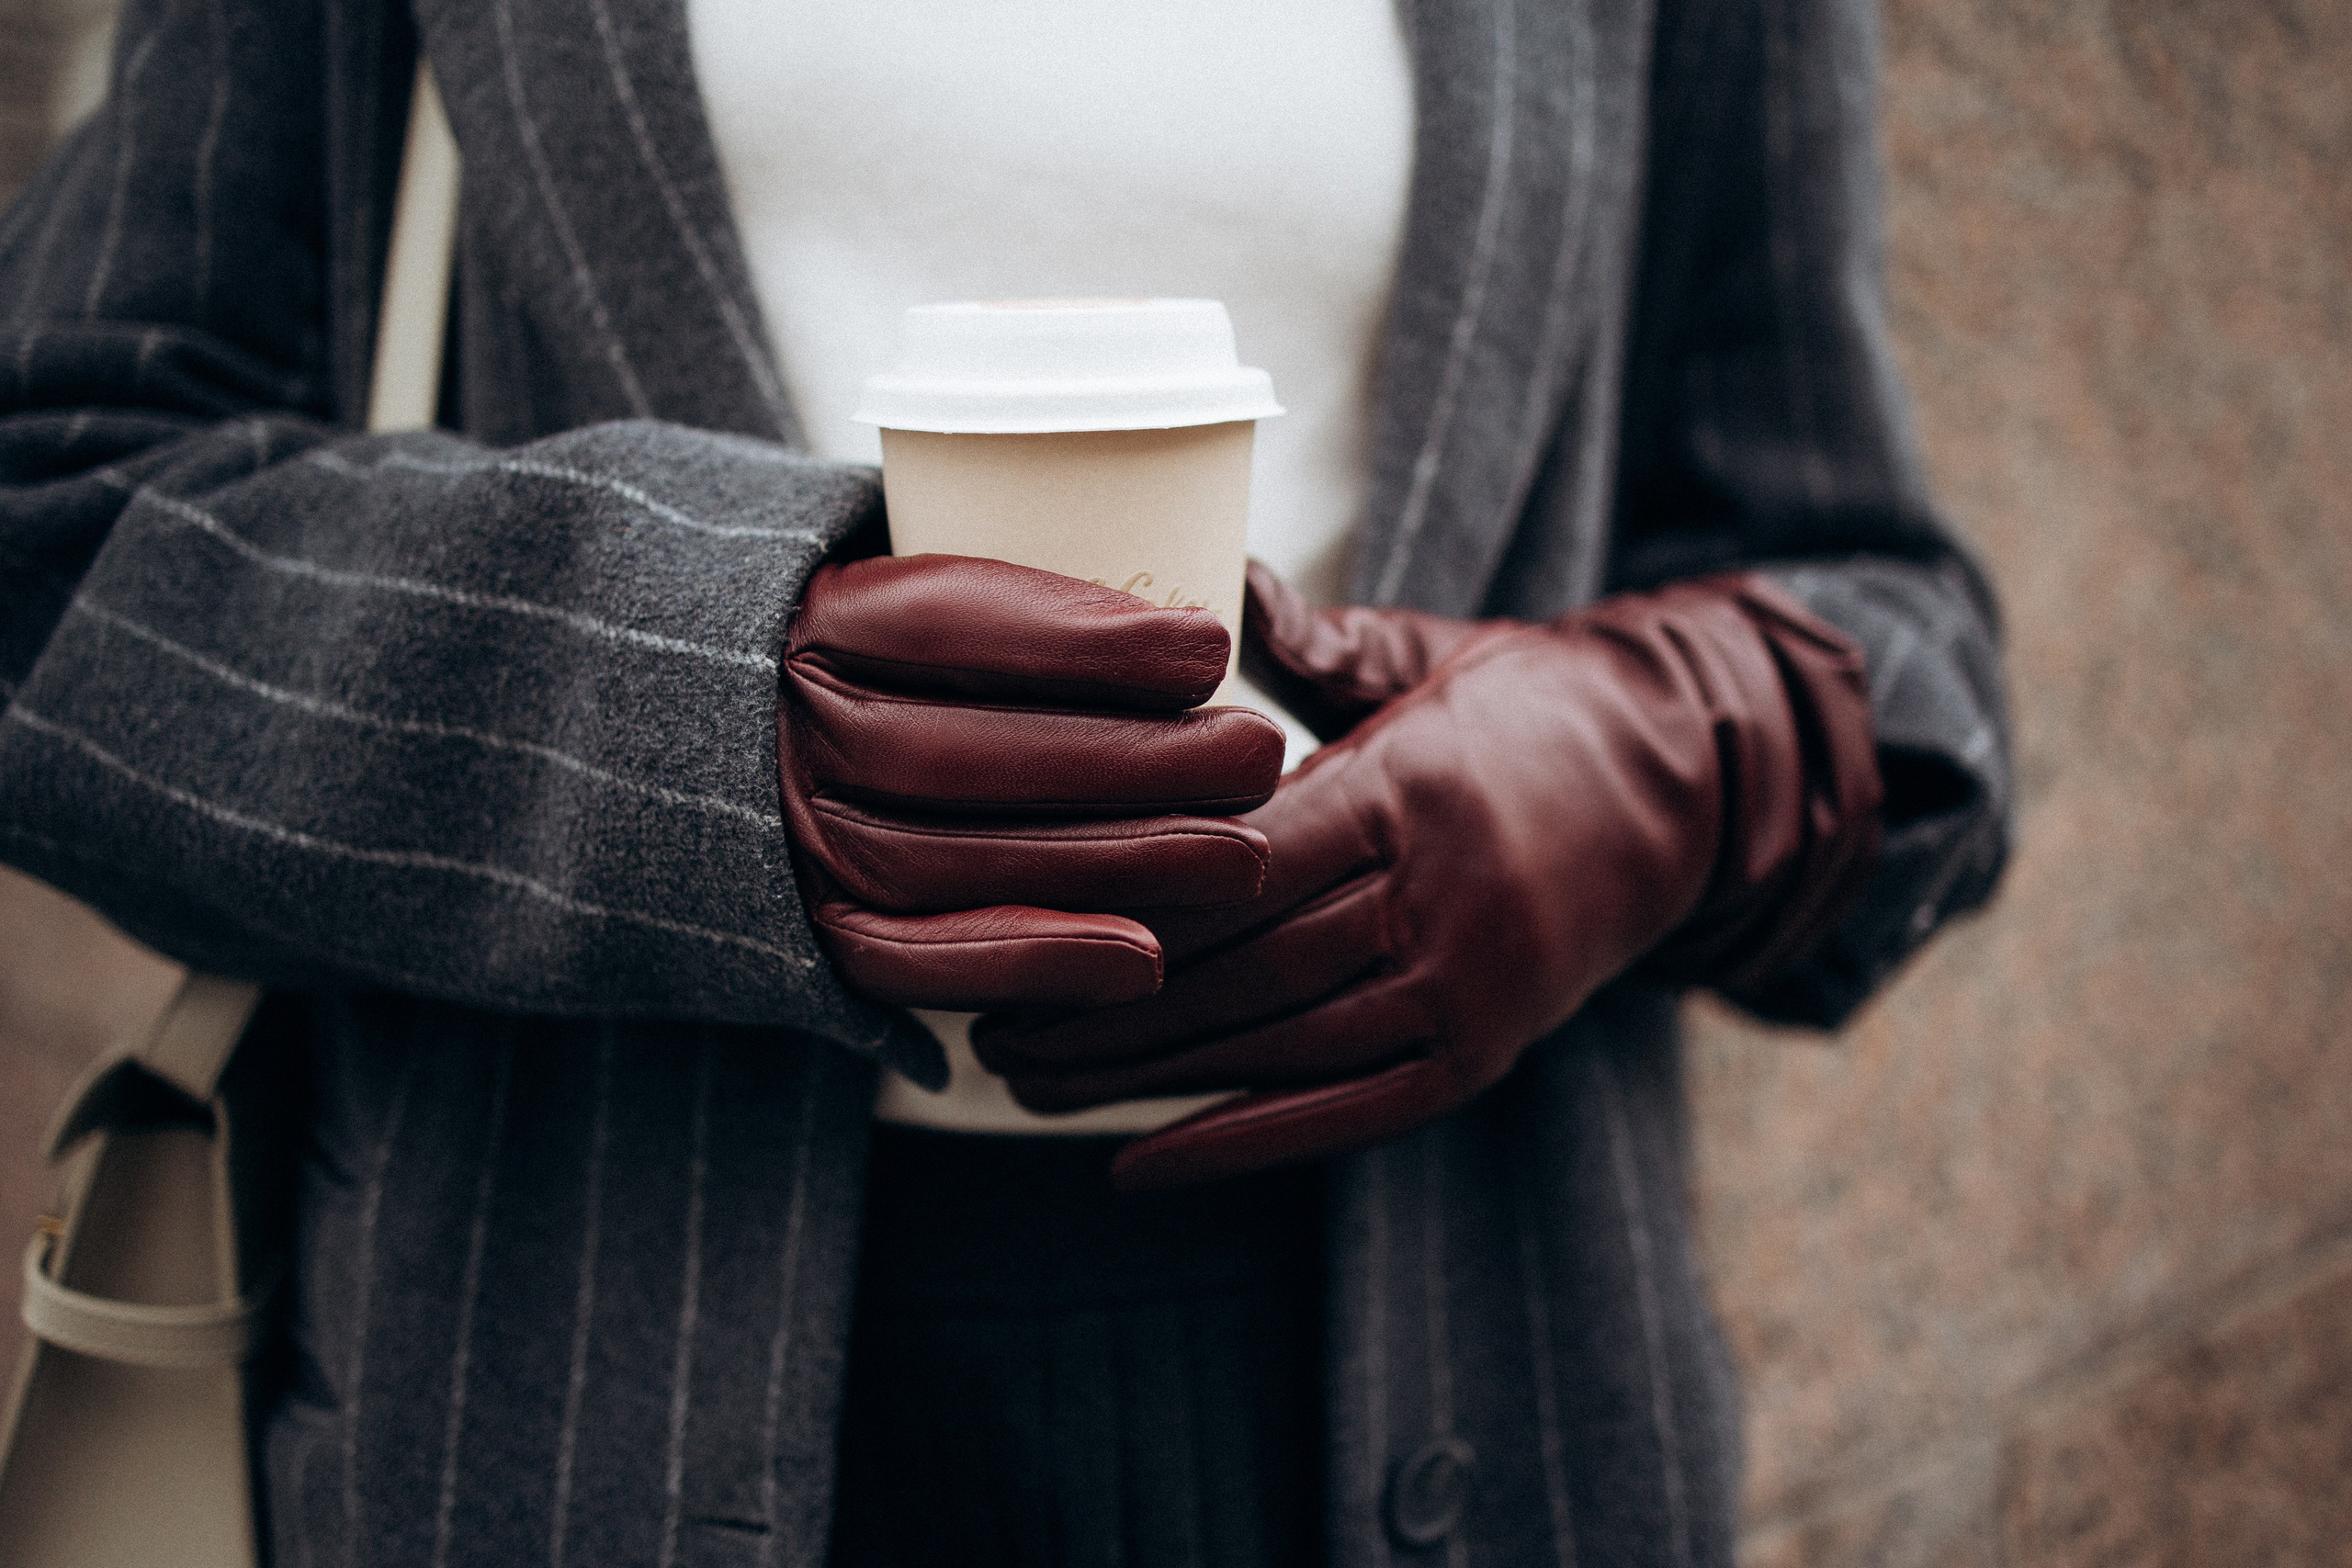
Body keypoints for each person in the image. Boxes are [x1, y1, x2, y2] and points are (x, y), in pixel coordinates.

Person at [0, 0, 2009, 1562]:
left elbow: (1901, 629)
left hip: (1463, 1363)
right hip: (570, 1373)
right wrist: (685, 700)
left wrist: (1672, 749)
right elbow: (55, 521)